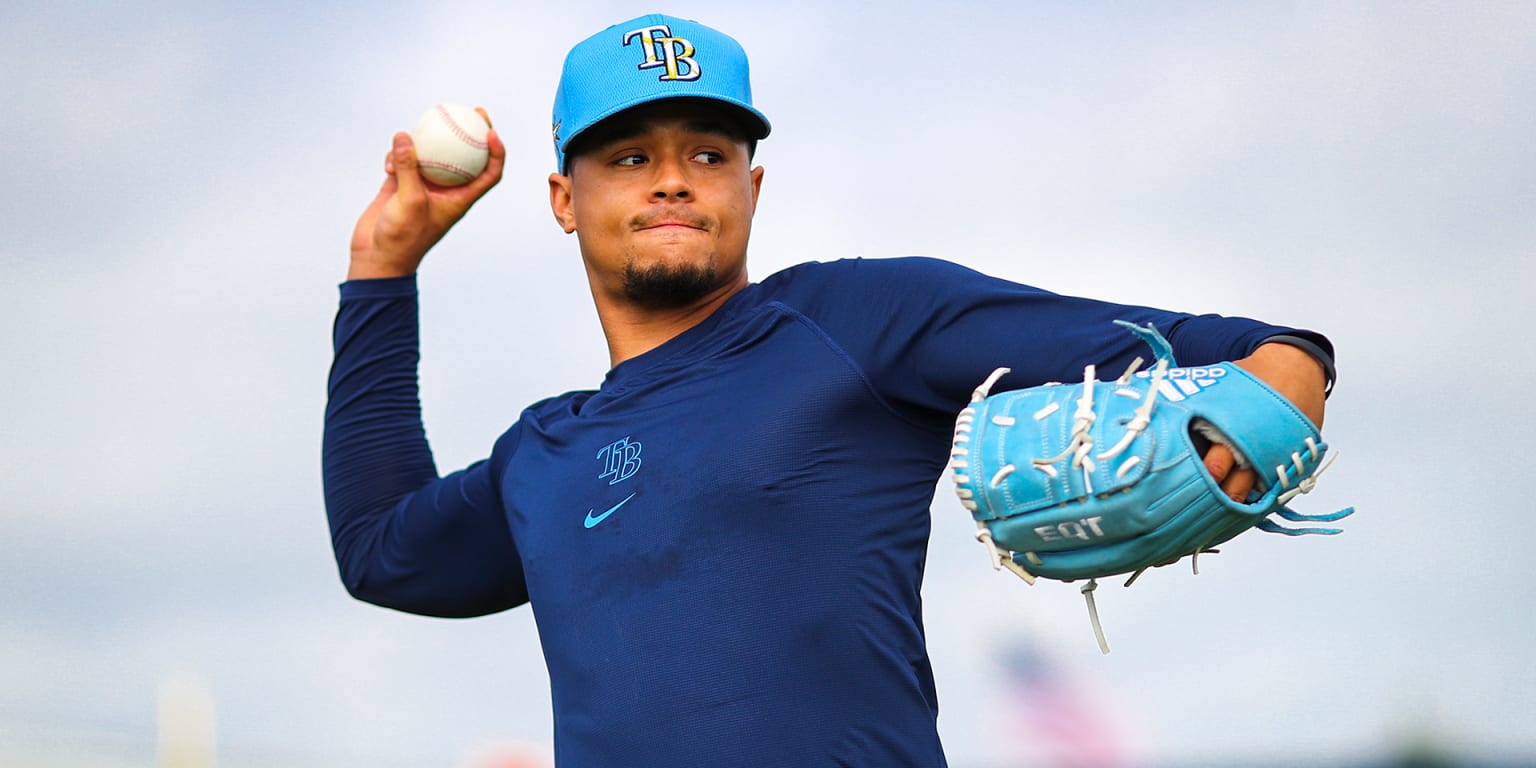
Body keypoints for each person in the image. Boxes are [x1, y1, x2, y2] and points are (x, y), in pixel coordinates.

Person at [324, 13, 1335, 767]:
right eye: (630, 156)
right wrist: (382, 267)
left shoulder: (856, 321)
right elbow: (381, 552)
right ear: (563, 199)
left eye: (707, 154)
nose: (672, 179)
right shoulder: (545, 457)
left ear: (751, 189)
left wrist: (1289, 370)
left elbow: (1236, 349)